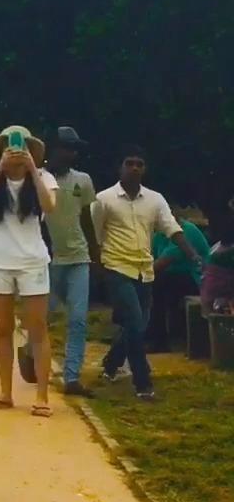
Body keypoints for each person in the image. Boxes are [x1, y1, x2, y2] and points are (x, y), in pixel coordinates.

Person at [90, 146, 202, 399]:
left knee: (137, 324)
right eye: (129, 163)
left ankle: (110, 364)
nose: (135, 168)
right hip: (116, 267)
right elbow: (95, 237)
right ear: (120, 167)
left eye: (139, 164)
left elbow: (172, 228)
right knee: (133, 321)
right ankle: (143, 383)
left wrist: (192, 253)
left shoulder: (155, 199)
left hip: (144, 270)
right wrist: (98, 271)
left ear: (145, 169)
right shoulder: (104, 199)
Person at [0, 125, 56, 417]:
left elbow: (50, 206)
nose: (16, 149)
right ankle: (5, 392)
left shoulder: (43, 178)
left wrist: (32, 169)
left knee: (38, 329)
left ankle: (42, 396)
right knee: (3, 329)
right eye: (9, 145)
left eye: (20, 145)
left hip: (33, 260)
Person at [40, 127, 100, 396]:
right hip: (49, 260)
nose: (72, 153)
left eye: (75, 148)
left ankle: (72, 377)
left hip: (78, 258)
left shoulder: (83, 180)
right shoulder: (39, 179)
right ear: (54, 149)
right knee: (43, 317)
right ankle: (31, 356)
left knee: (77, 319)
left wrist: (95, 254)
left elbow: (86, 218)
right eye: (68, 147)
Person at [147, 216, 211, 351]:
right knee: (157, 283)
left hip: (196, 278)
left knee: (157, 284)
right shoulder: (159, 233)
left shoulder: (186, 232)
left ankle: (158, 340)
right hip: (172, 278)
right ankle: (152, 335)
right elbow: (151, 258)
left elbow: (163, 262)